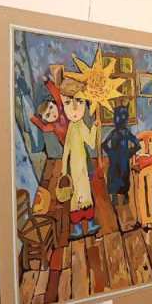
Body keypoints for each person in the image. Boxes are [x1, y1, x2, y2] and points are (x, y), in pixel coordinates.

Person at [60, 78, 99, 239]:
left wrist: (94, 127)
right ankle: (78, 228)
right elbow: (66, 149)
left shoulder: (80, 125)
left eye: (80, 102)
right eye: (68, 103)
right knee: (76, 196)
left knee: (84, 195)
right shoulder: (72, 126)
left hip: (82, 168)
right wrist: (63, 170)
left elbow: (91, 142)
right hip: (74, 168)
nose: (74, 109)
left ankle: (89, 225)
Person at [102, 105, 141, 204]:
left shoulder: (126, 132)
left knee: (124, 178)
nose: (118, 120)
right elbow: (104, 144)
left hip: (123, 161)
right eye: (117, 117)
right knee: (113, 177)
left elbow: (138, 145)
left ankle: (125, 196)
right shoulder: (113, 133)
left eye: (122, 117)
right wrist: (110, 153)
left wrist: (129, 153)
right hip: (115, 161)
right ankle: (114, 197)